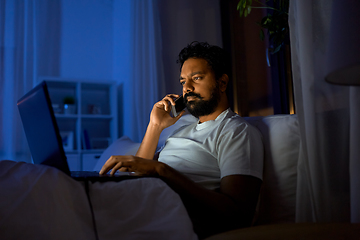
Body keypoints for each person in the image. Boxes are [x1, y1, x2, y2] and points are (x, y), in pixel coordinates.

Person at [100, 42, 264, 238]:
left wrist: (161, 170)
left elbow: (237, 215)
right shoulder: (182, 126)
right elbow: (138, 174)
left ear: (222, 83)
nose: (187, 88)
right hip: (141, 201)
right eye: (183, 82)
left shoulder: (236, 131)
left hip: (170, 218)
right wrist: (155, 126)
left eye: (196, 78)